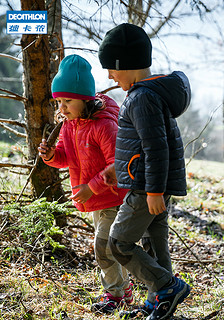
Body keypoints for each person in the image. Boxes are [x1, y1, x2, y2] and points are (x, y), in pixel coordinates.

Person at [98, 23, 191, 320]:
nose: (109, 76)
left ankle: (166, 287)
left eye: (111, 69)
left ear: (123, 64)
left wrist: (152, 190)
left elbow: (156, 147)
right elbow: (146, 144)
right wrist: (119, 169)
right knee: (155, 244)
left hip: (146, 189)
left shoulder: (141, 98)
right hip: (153, 185)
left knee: (119, 242)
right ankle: (161, 302)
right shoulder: (151, 94)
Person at [38, 54, 133, 314]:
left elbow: (117, 165)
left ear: (85, 98)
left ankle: (114, 294)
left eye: (68, 101)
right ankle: (123, 290)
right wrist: (50, 156)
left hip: (113, 197)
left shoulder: (104, 126)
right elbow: (65, 158)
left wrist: (91, 187)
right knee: (112, 247)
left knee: (103, 248)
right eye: (59, 101)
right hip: (94, 199)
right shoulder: (69, 126)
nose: (62, 107)